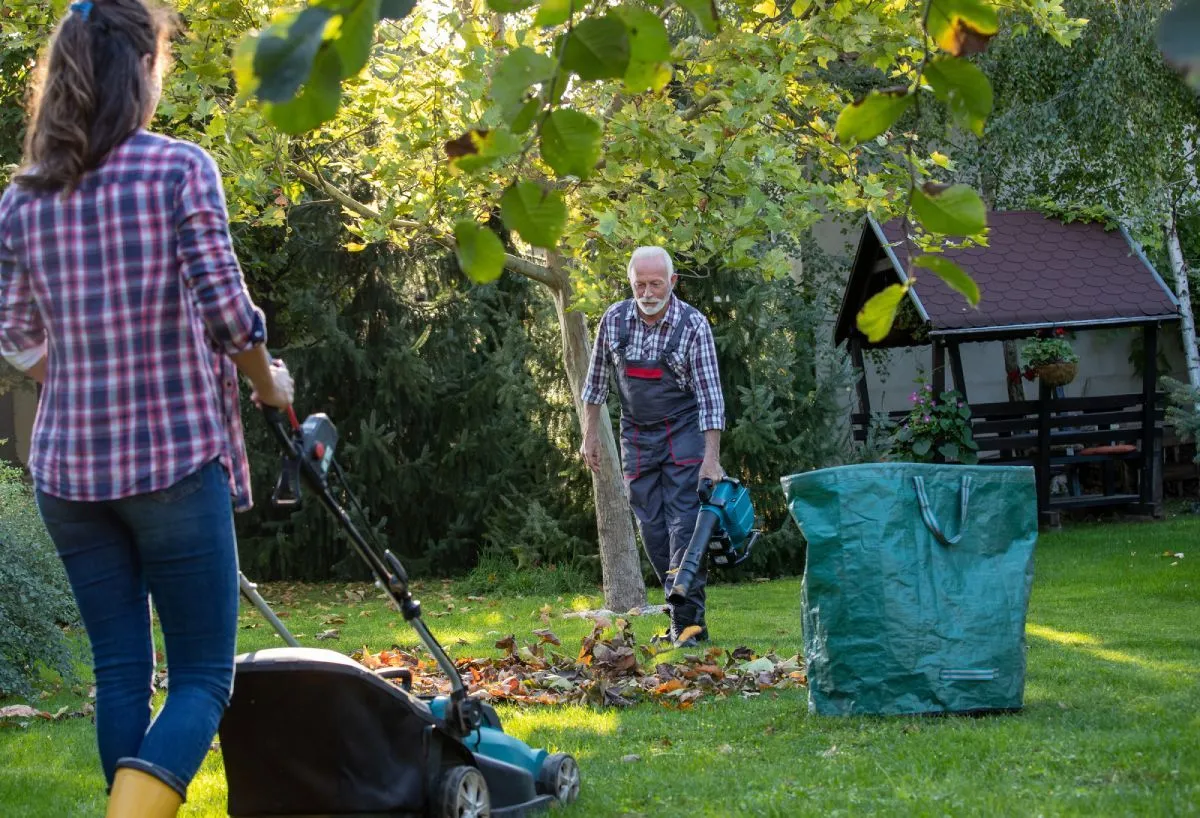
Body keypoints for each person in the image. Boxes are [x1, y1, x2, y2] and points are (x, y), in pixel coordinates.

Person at [0, 1, 293, 815]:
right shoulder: (178, 170)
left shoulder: (23, 200)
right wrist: (271, 385)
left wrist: (92, 361)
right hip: (168, 461)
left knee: (121, 670)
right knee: (203, 673)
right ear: (142, 71)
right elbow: (230, 317)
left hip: (67, 472)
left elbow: (18, 339)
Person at [579, 245, 726, 646]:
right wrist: (590, 434)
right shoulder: (614, 320)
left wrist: (710, 461)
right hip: (637, 436)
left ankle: (687, 625)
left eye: (655, 283)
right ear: (631, 283)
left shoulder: (692, 325)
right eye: (639, 284)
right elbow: (595, 385)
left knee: (683, 524)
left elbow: (711, 398)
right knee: (652, 529)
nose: (647, 292)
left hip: (684, 434)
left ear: (672, 282)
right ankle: (685, 617)